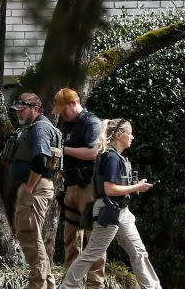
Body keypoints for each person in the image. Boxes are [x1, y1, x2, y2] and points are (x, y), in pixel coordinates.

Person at [59, 119, 161, 289]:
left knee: (139, 252)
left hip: (122, 211)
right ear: (119, 135)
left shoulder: (117, 157)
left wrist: (136, 185)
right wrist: (137, 187)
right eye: (130, 133)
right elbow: (109, 189)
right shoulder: (111, 158)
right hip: (109, 210)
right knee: (92, 253)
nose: (133, 137)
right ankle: (66, 287)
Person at [6, 93, 62, 289]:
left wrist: (29, 187)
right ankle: (47, 284)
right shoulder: (33, 127)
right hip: (35, 186)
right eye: (17, 109)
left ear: (36, 108)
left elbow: (40, 160)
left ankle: (37, 285)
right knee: (32, 237)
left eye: (23, 109)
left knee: (29, 235)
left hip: (35, 187)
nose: (19, 113)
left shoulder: (39, 128)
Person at [54, 87, 105, 288]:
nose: (61, 115)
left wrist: (63, 150)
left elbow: (94, 152)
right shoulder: (68, 124)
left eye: (63, 109)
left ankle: (95, 283)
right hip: (71, 186)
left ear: (73, 103)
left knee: (94, 237)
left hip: (88, 187)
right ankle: (71, 282)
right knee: (70, 237)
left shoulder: (91, 122)